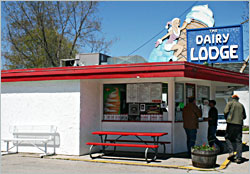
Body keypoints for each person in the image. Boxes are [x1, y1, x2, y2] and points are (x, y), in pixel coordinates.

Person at [224, 94, 246, 163]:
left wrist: (227, 118)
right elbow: (244, 116)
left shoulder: (230, 103)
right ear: (238, 99)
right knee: (238, 140)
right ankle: (239, 158)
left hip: (231, 123)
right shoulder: (241, 105)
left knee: (227, 137)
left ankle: (231, 152)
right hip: (239, 124)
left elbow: (225, 111)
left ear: (232, 98)